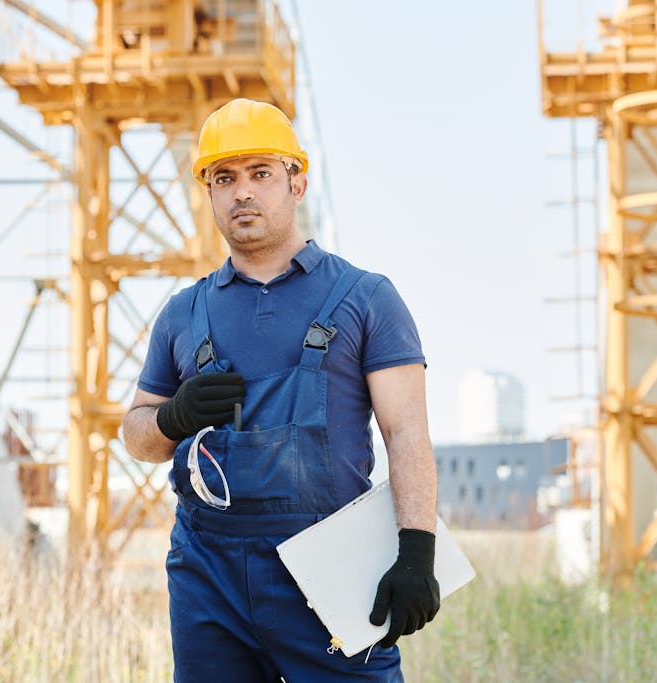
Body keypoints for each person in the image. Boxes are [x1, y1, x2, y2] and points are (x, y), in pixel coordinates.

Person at [122, 98, 440, 682]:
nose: (242, 192)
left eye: (260, 174)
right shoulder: (181, 314)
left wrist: (417, 551)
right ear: (210, 193)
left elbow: (407, 433)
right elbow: (138, 436)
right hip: (207, 573)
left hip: (329, 565)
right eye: (225, 178)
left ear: (296, 183)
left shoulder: (366, 298)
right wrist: (172, 417)